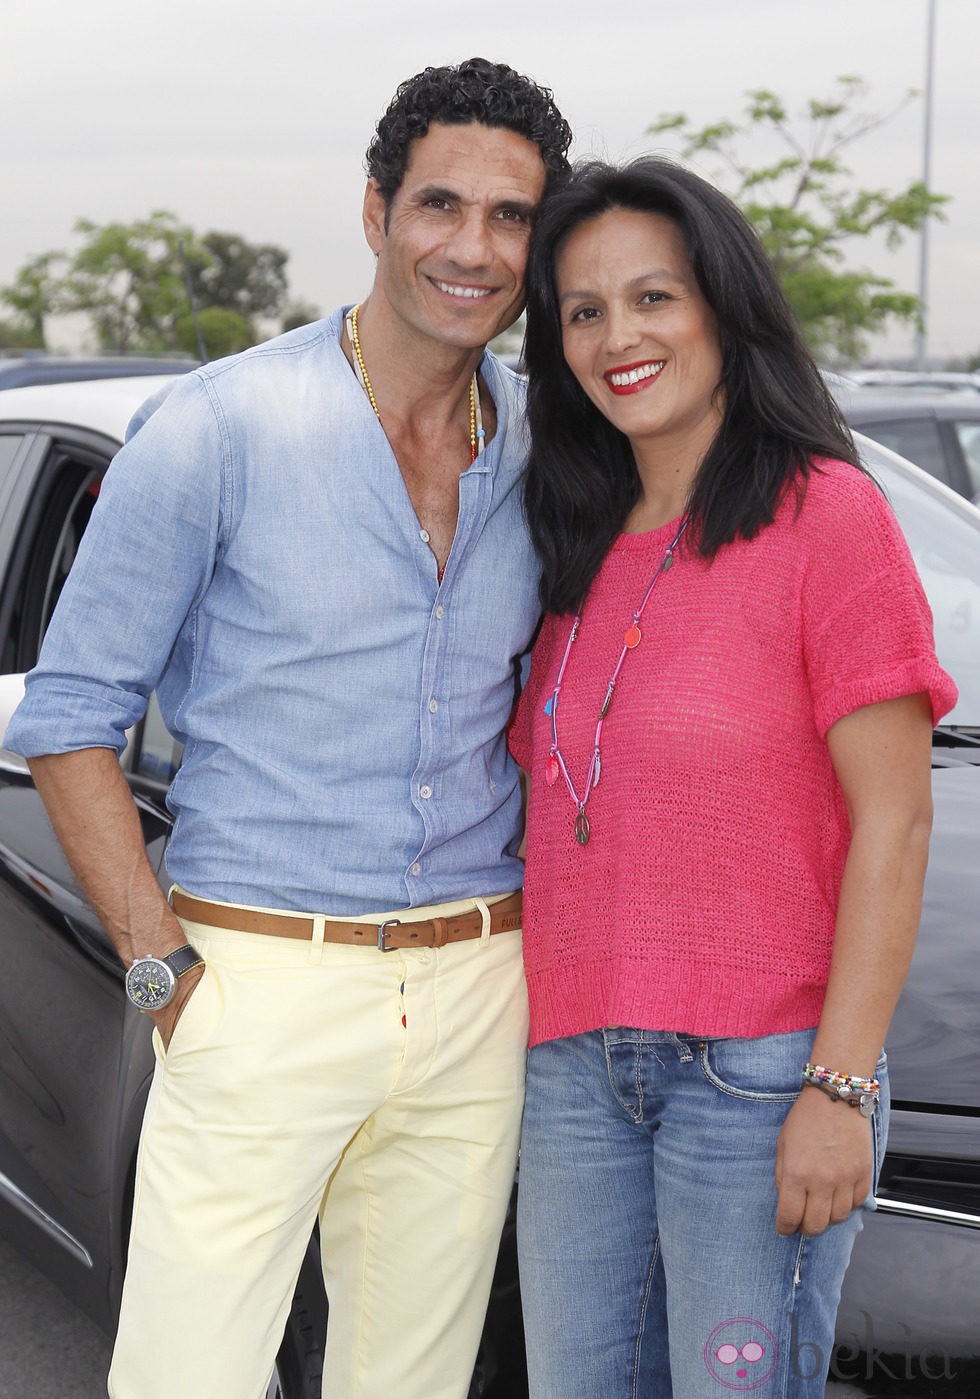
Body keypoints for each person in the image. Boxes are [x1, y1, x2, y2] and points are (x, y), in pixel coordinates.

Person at [4, 58, 571, 1399]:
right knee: (189, 1375)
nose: (473, 247)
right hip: (255, 977)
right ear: (376, 211)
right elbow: (74, 716)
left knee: (412, 1378)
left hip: (479, 979)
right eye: (442, 203)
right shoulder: (217, 426)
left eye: (511, 217)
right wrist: (161, 967)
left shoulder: (552, 445)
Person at [508, 157, 957, 1399]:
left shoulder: (827, 518)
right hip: (569, 1069)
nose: (617, 337)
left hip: (756, 1077)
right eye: (582, 311)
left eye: (652, 297)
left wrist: (836, 1084)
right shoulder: (569, 538)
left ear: (720, 306)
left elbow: (897, 820)